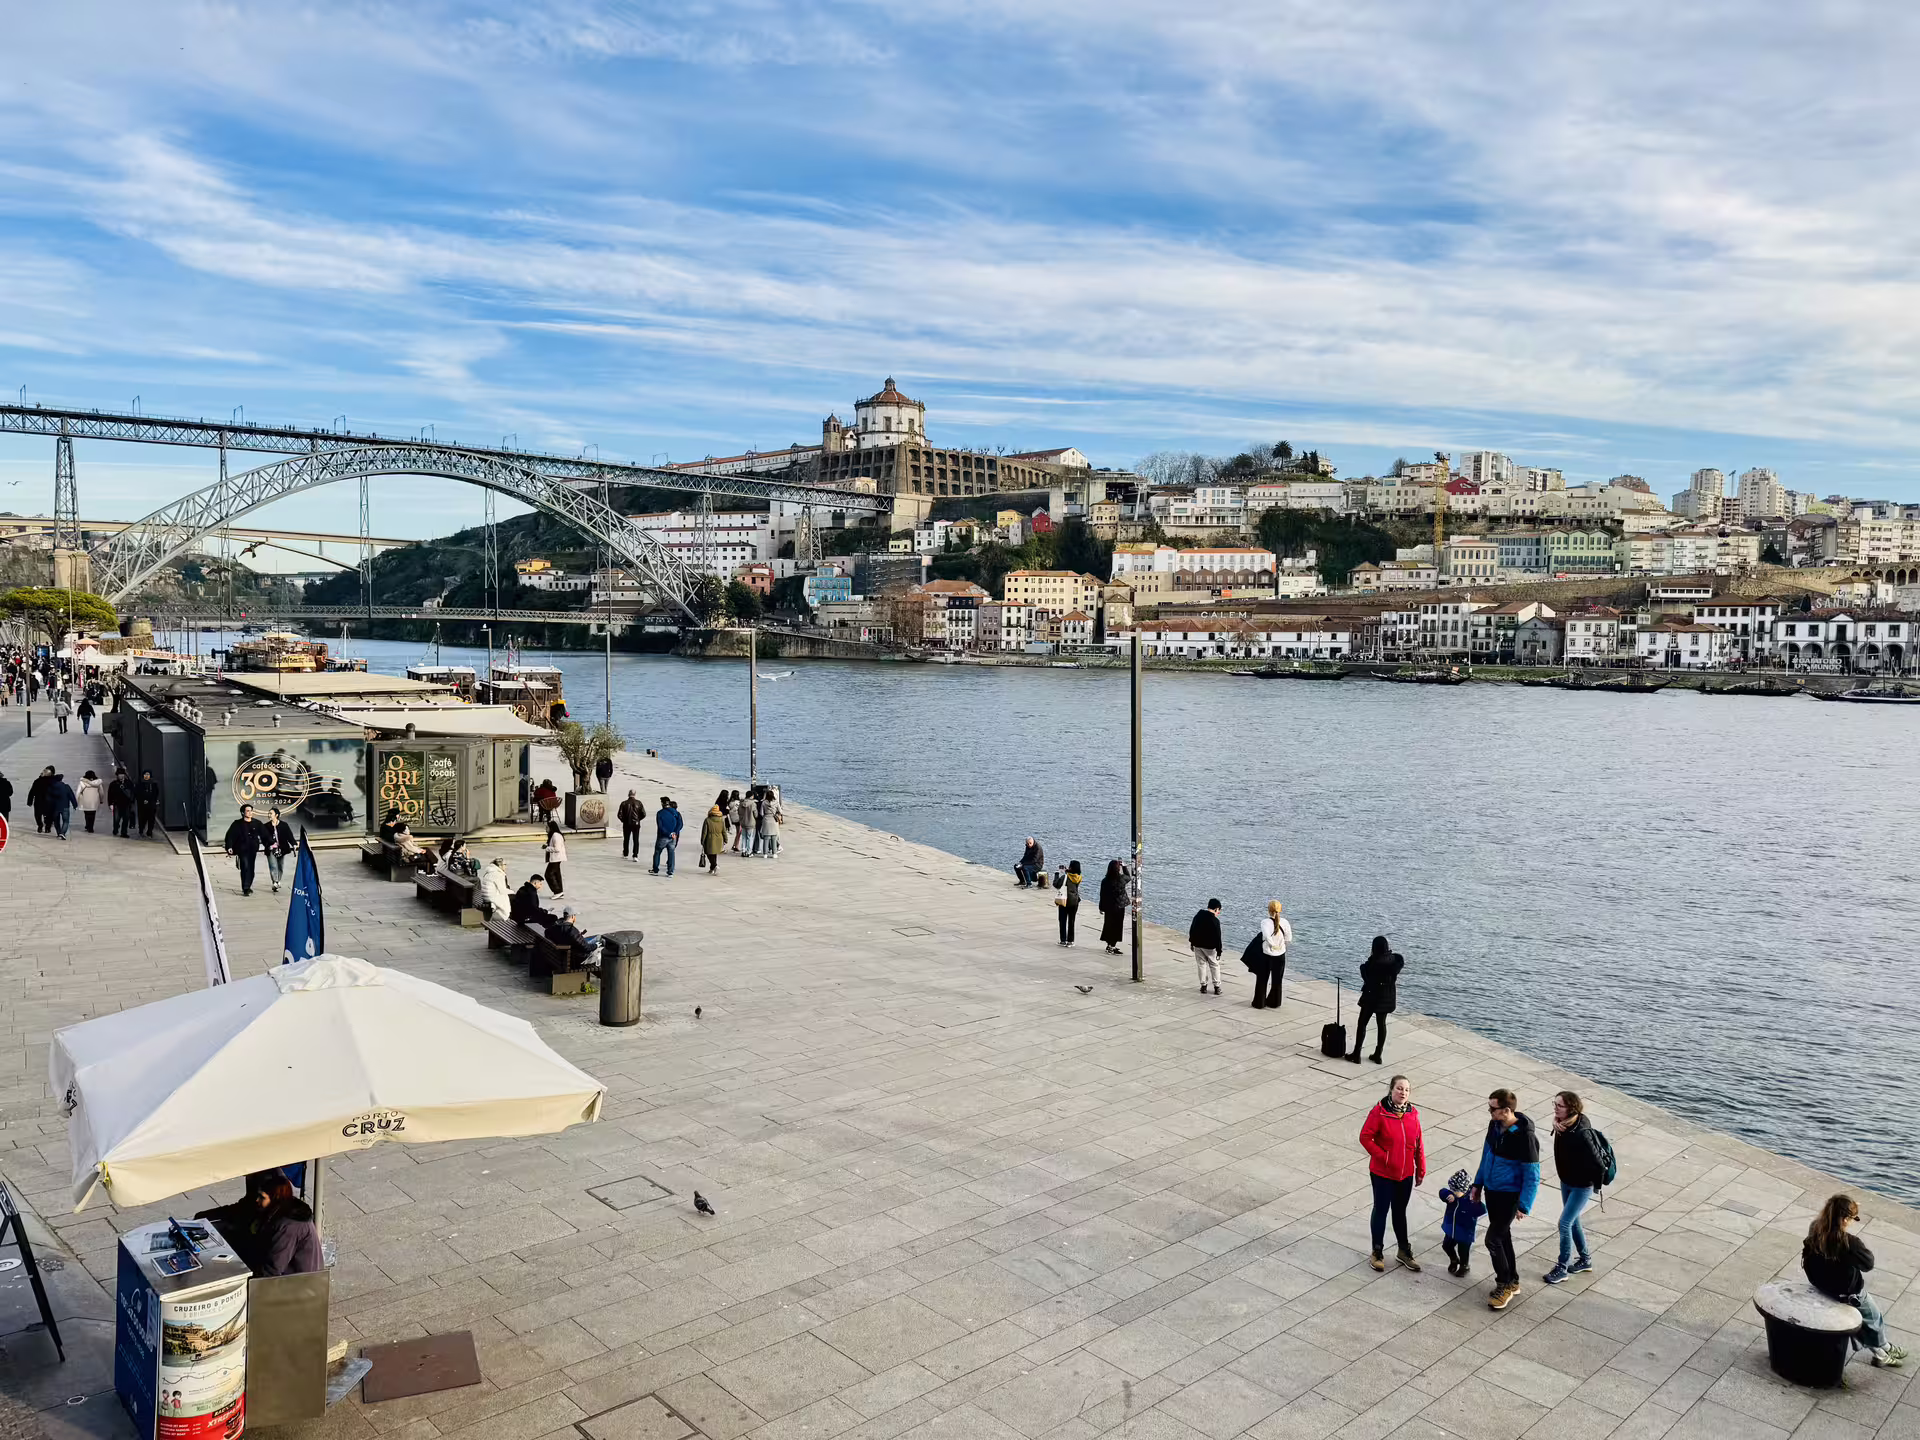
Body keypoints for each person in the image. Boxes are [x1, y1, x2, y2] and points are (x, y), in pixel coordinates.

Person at [1804, 1193, 1908, 1370]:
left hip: (1821, 1284)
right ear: (1844, 1219)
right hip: (1847, 1292)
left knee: (1866, 1320)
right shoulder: (1849, 1242)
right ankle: (1882, 1354)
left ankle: (1886, 1348)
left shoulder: (1815, 1228)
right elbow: (1868, 1264)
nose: (1853, 1221)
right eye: (1853, 1218)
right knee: (1873, 1318)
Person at [1472, 1089, 1541, 1310]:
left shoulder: (1525, 1137)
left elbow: (1532, 1175)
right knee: (1503, 1237)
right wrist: (1478, 1183)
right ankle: (1513, 1280)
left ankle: (1503, 1284)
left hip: (1510, 1197)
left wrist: (1524, 1205)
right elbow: (1486, 1156)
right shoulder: (1494, 1126)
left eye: (1493, 1108)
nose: (1489, 1111)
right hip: (1492, 1191)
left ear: (1507, 1110)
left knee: (1492, 1239)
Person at [1359, 1074, 1426, 1273]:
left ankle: (1404, 1251)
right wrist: (1385, 1157)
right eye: (1399, 1088)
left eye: (1406, 1089)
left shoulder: (1412, 1113)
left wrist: (1420, 1168)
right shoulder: (1379, 1112)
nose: (1402, 1092)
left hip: (1405, 1174)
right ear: (1391, 1090)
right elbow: (1365, 1137)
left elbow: (1418, 1143)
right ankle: (1377, 1251)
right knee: (1381, 1210)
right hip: (1383, 1173)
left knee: (1399, 1212)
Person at [1543, 1090, 1607, 1285]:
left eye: (1559, 1105)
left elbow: (1599, 1164)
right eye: (1554, 1103)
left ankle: (1562, 1268)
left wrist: (1591, 1183)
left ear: (1571, 1108)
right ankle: (1585, 1259)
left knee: (1564, 1223)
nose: (1555, 1108)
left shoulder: (1581, 1133)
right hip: (1566, 1181)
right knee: (1573, 1221)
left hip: (1581, 1185)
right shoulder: (1562, 1124)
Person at [252, 1173, 323, 1276]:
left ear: (275, 1198)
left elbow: (274, 1267)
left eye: (262, 1197)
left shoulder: (289, 1226)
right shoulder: (283, 1210)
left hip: (299, 1282)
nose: (257, 1200)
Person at [1349, 936, 1404, 1064]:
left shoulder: (1373, 963)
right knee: (1381, 1024)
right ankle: (1378, 1054)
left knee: (1362, 1023)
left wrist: (1363, 967)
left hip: (1371, 996)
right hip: (1386, 997)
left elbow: (1367, 978)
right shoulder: (1395, 961)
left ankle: (1356, 1054)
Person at [1438, 1168, 1486, 1278]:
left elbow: (1483, 1210)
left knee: (1463, 1251)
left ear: (1463, 1190)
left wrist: (1472, 1210)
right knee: (1446, 1246)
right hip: (1451, 1229)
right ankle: (1454, 1260)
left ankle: (1464, 1266)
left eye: (1455, 1191)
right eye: (1452, 1190)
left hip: (1465, 1232)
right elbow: (1442, 1192)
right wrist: (1448, 1195)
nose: (1453, 1192)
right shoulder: (1452, 1197)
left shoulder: (1470, 1200)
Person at [1249, 900, 1291, 1009]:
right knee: (1277, 980)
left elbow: (1267, 937)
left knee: (1262, 979)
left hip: (1266, 955)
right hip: (1280, 955)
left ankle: (1259, 1003)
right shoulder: (1285, 922)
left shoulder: (1265, 922)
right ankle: (1274, 1002)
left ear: (1269, 910)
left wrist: (1272, 946)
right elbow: (1288, 938)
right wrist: (1280, 946)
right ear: (1280, 910)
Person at [223, 803, 269, 893]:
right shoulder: (237, 824)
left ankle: (249, 885)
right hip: (242, 849)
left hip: (253, 849)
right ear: (243, 813)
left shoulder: (257, 823)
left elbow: (265, 835)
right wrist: (229, 847)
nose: (250, 812)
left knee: (251, 868)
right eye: (248, 811)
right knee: (245, 866)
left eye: (251, 810)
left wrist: (270, 844)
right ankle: (245, 887)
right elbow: (230, 836)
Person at [1188, 898, 1223, 994]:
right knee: (1214, 965)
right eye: (1219, 911)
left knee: (1201, 965)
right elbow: (1218, 937)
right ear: (1216, 909)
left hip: (1198, 945)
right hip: (1210, 948)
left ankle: (1203, 985)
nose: (1218, 913)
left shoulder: (1198, 916)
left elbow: (1192, 930)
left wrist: (1192, 942)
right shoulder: (1215, 921)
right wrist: (1219, 951)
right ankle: (1217, 987)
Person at [1097, 859, 1128, 955]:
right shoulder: (1121, 879)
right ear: (1118, 869)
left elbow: (1102, 895)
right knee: (1117, 926)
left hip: (1108, 906)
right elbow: (1128, 877)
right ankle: (1112, 946)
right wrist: (1125, 866)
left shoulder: (1105, 881)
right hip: (1119, 906)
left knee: (1108, 925)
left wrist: (1101, 907)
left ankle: (1109, 944)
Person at [264, 808, 297, 892]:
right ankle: (275, 881)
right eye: (269, 813)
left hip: (282, 849)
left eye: (271, 813)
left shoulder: (284, 825)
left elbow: (289, 835)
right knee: (273, 865)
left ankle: (278, 881)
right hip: (271, 849)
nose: (269, 815)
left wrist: (293, 844)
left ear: (276, 815)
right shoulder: (266, 826)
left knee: (280, 866)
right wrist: (269, 845)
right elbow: (264, 838)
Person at [1055, 862, 1083, 946]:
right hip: (1074, 901)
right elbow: (1072, 877)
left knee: (1062, 920)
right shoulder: (1079, 877)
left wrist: (1057, 873)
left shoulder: (1065, 877)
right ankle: (1070, 941)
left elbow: (1056, 884)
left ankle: (1063, 940)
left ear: (1070, 867)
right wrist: (1067, 871)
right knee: (1071, 920)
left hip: (1064, 900)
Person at [652, 796, 682, 875]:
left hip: (663, 836)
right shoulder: (676, 812)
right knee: (671, 853)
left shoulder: (660, 813)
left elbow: (660, 826)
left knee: (657, 852)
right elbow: (680, 824)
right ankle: (670, 870)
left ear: (662, 803)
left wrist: (668, 833)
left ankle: (655, 869)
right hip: (673, 837)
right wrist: (674, 832)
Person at [617, 790, 647, 862]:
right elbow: (643, 814)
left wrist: (623, 820)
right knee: (636, 839)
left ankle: (625, 853)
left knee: (626, 839)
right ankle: (635, 855)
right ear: (635, 794)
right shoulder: (639, 803)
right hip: (636, 824)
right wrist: (638, 819)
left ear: (628, 794)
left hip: (627, 824)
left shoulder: (624, 803)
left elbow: (619, 815)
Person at [699, 803, 726, 873]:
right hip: (719, 838)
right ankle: (712, 868)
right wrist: (725, 839)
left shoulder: (707, 820)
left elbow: (704, 832)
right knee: (714, 854)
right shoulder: (722, 820)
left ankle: (714, 865)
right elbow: (724, 830)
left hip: (710, 838)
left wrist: (702, 840)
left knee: (708, 853)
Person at [27, 766, 54, 833]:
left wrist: (29, 801)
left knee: (38, 815)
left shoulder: (37, 781)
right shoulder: (52, 782)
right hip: (48, 801)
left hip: (38, 801)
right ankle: (47, 827)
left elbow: (32, 792)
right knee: (48, 815)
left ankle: (40, 825)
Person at [543, 820, 567, 895]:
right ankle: (560, 891)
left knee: (548, 874)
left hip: (556, 858)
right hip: (556, 858)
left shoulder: (556, 836)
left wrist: (547, 848)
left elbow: (557, 849)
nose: (546, 829)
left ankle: (557, 891)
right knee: (556, 874)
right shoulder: (553, 835)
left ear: (551, 828)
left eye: (547, 827)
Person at [108, 768, 134, 837]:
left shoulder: (129, 783)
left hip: (126, 804)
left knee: (126, 819)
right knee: (116, 819)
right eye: (119, 774)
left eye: (122, 774)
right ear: (117, 775)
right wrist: (110, 804)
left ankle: (124, 832)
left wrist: (132, 802)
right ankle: (115, 829)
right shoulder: (113, 784)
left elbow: (132, 793)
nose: (121, 776)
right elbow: (110, 794)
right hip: (117, 804)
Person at [134, 769, 160, 837]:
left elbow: (156, 793)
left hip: (151, 804)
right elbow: (137, 794)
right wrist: (142, 800)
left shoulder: (153, 784)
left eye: (148, 774)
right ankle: (141, 830)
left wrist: (152, 800)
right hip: (142, 805)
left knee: (151, 818)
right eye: (145, 774)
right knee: (142, 818)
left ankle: (150, 831)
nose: (146, 776)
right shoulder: (139, 784)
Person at [760, 791, 782, 858]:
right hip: (774, 820)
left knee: (766, 838)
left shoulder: (763, 802)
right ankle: (774, 853)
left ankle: (765, 854)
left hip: (766, 820)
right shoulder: (776, 802)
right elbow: (780, 811)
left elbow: (761, 813)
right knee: (774, 838)